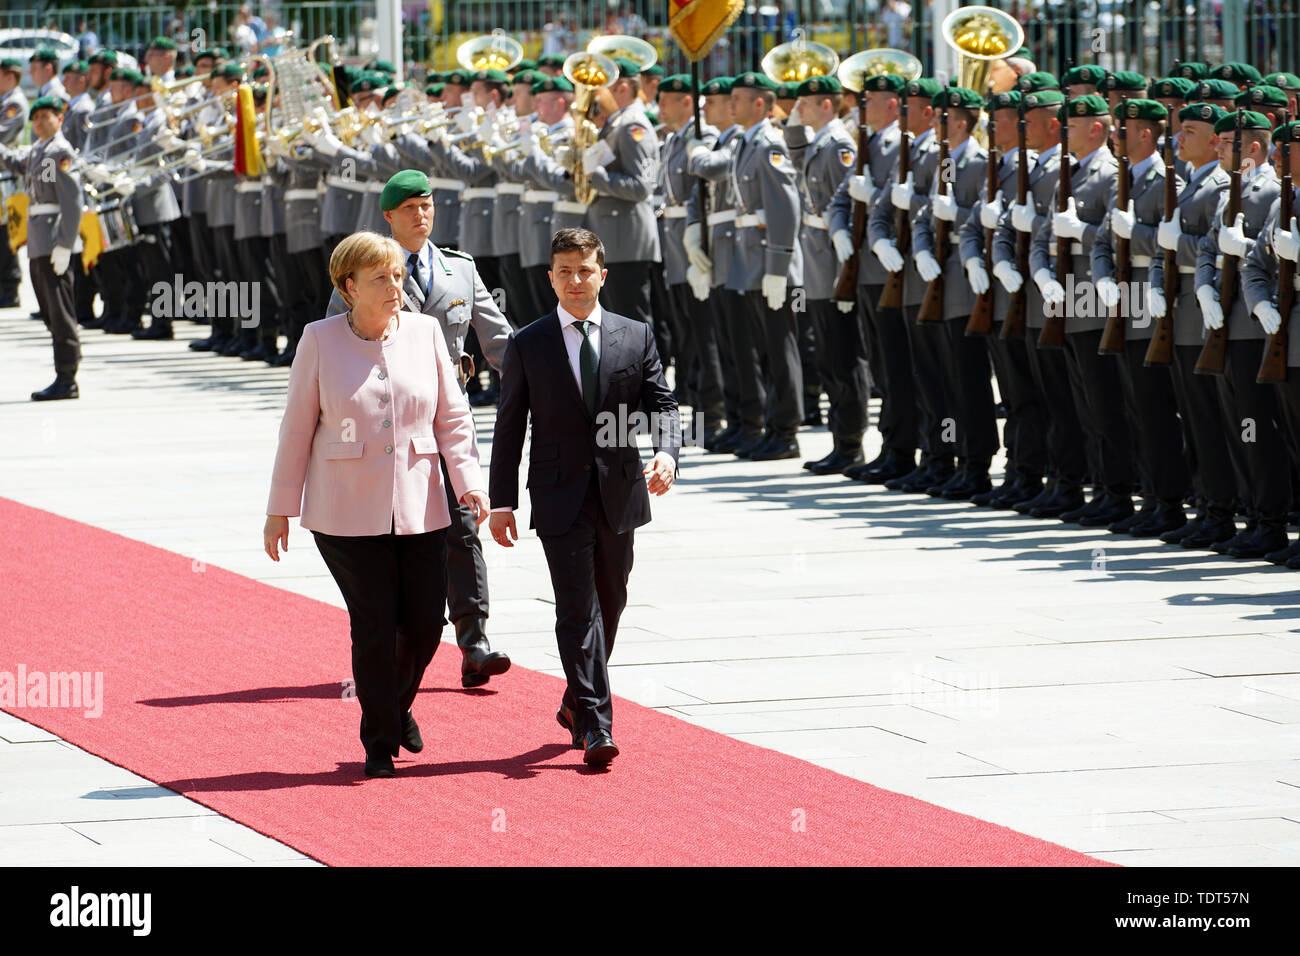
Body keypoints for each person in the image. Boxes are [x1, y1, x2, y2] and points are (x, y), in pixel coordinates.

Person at [263, 232, 490, 778]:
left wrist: (470, 483)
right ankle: (379, 742)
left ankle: (394, 707)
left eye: (396, 276)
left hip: (422, 502)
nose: (395, 287)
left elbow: (452, 418)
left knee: (423, 624)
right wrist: (279, 508)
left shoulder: (425, 332)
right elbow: (296, 428)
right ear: (348, 288)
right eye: (380, 279)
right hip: (343, 511)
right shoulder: (318, 340)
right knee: (374, 622)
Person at [488, 227, 680, 768]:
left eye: (585, 270)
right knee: (578, 610)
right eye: (564, 271)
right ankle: (597, 725)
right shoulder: (528, 342)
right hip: (557, 495)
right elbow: (509, 426)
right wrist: (501, 501)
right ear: (550, 278)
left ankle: (576, 701)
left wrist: (667, 455)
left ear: (602, 275)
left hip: (620, 492)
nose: (575, 280)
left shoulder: (635, 335)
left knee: (611, 603)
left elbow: (661, 403)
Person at [323, 170, 514, 687]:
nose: (421, 215)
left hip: (447, 413)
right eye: (409, 209)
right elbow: (335, 344)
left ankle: (474, 640)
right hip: (389, 420)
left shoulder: (459, 269)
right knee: (402, 532)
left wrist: (548, 377)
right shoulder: (366, 270)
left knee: (464, 521)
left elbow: (499, 341)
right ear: (388, 216)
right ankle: (397, 640)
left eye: (427, 206)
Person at [0, 96, 83, 399]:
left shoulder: (59, 151)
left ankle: (67, 376)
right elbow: (15, 164)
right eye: (36, 119)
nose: (39, 123)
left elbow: (71, 202)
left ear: (60, 119)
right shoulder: (40, 150)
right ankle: (63, 371)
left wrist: (65, 243)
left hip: (52, 242)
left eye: (47, 117)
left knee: (60, 311)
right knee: (50, 312)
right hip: (39, 241)